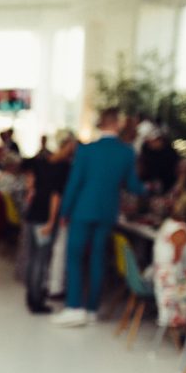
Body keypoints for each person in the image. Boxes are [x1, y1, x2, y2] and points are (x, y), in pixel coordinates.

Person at [54, 108, 144, 327]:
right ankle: (92, 309)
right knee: (97, 258)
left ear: (100, 124)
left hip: (83, 210)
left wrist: (64, 211)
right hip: (107, 211)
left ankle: (74, 307)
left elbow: (75, 183)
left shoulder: (86, 150)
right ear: (117, 124)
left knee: (74, 257)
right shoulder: (127, 152)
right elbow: (132, 185)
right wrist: (150, 189)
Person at [23, 135, 76, 313]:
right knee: (41, 259)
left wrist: (31, 191)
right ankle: (37, 301)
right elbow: (55, 196)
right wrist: (52, 221)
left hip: (32, 215)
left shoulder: (41, 162)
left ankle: (31, 296)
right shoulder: (63, 168)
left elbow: (30, 183)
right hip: (44, 218)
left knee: (32, 258)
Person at [150, 199, 186, 330]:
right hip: (171, 282)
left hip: (161, 277)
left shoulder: (169, 223)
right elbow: (179, 260)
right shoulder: (181, 232)